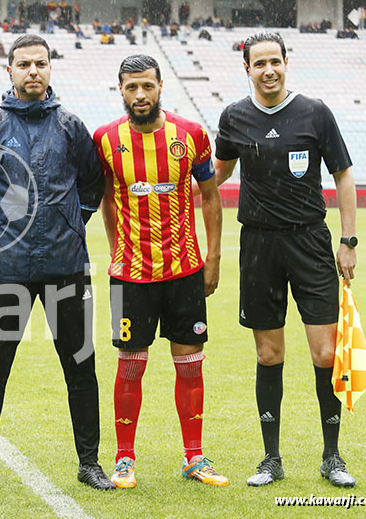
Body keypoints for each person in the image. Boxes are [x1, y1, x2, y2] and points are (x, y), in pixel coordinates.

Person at [0, 34, 109, 493]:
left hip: (67, 267)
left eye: (40, 63)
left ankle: (90, 463)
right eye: (24, 64)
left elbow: (92, 184)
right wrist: (0, 232)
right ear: (10, 71)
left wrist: (69, 223)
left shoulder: (71, 126)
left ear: (50, 68)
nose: (33, 71)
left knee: (80, 367)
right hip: (7, 270)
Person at [213, 31, 357, 488]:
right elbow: (217, 173)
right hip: (258, 246)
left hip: (310, 243)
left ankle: (332, 456)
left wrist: (348, 240)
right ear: (247, 69)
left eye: (275, 61)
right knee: (268, 352)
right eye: (259, 63)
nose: (268, 70)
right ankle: (271, 458)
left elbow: (343, 174)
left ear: (286, 62)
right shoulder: (234, 116)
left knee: (326, 352)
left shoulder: (315, 112)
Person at [93, 55, 227, 489]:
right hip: (130, 276)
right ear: (120, 89)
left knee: (189, 364)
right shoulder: (105, 139)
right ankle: (124, 459)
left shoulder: (191, 134)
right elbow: (107, 201)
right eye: (131, 87)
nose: (140, 95)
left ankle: (194, 457)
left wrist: (212, 258)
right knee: (131, 365)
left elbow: (210, 196)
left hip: (184, 271)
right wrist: (116, 251)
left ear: (160, 86)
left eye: (147, 86)